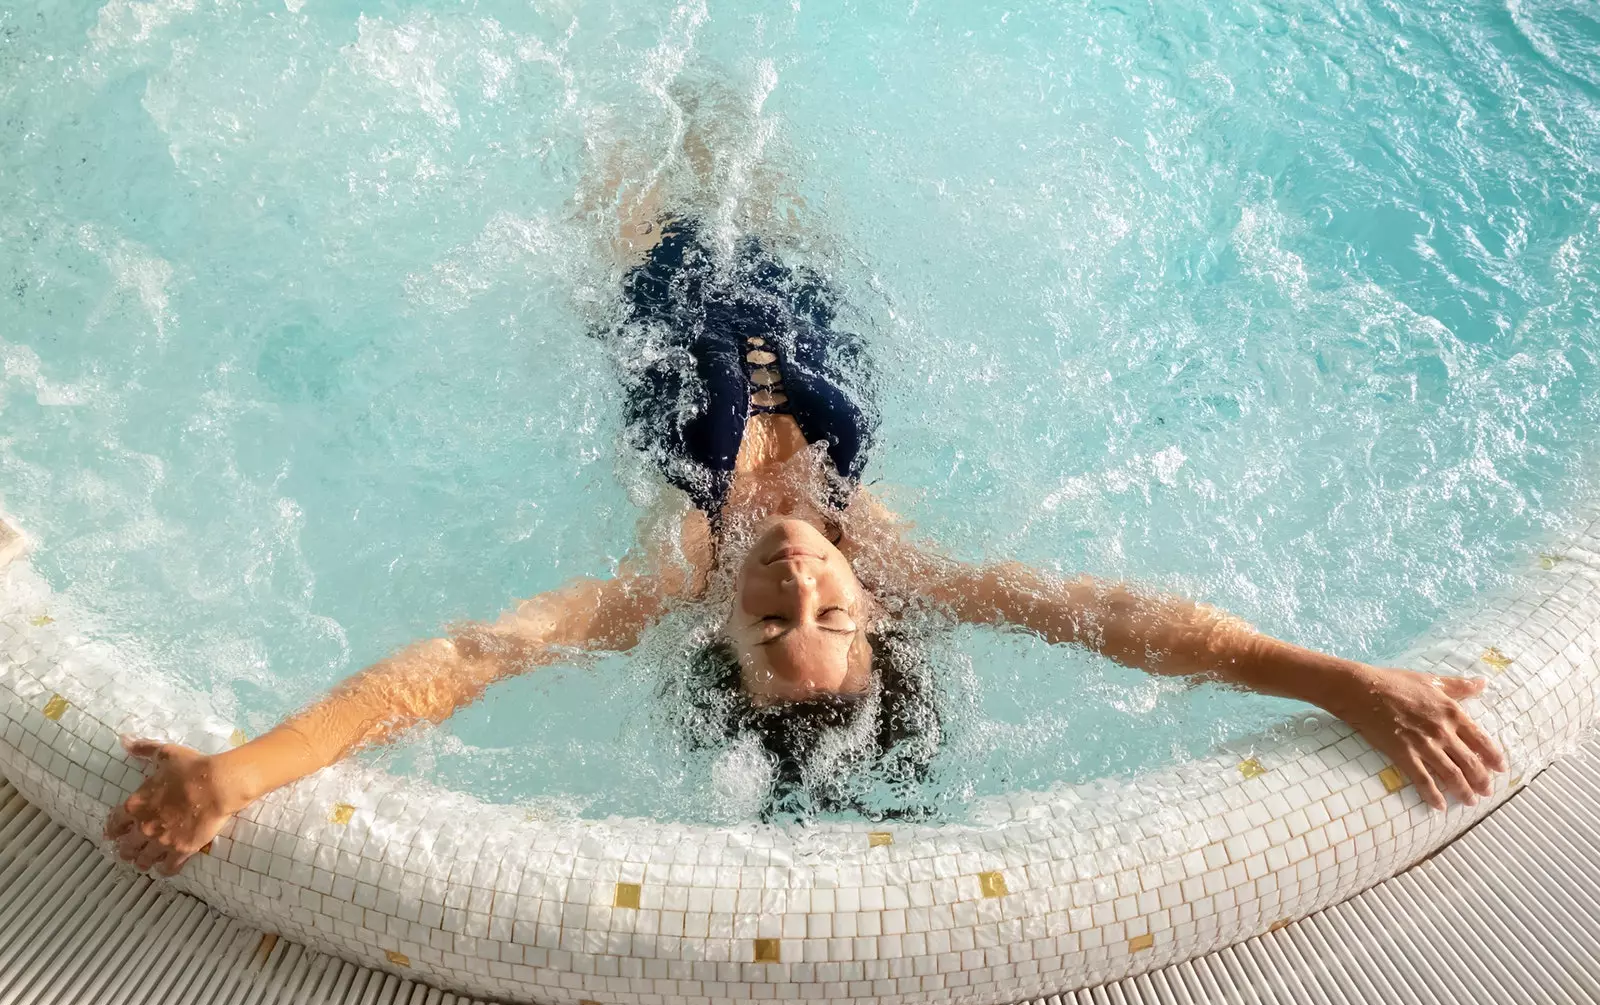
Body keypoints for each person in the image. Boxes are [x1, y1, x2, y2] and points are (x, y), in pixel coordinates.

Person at [104, 119, 1507, 875]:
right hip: (804, 275)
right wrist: (1341, 683)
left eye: (775, 632)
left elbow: (457, 666)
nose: (801, 586)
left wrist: (242, 771)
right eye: (831, 613)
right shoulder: (888, 552)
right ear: (875, 617)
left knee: (635, 117)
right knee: (735, 101)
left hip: (647, 252)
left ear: (724, 649)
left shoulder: (667, 566)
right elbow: (1124, 622)